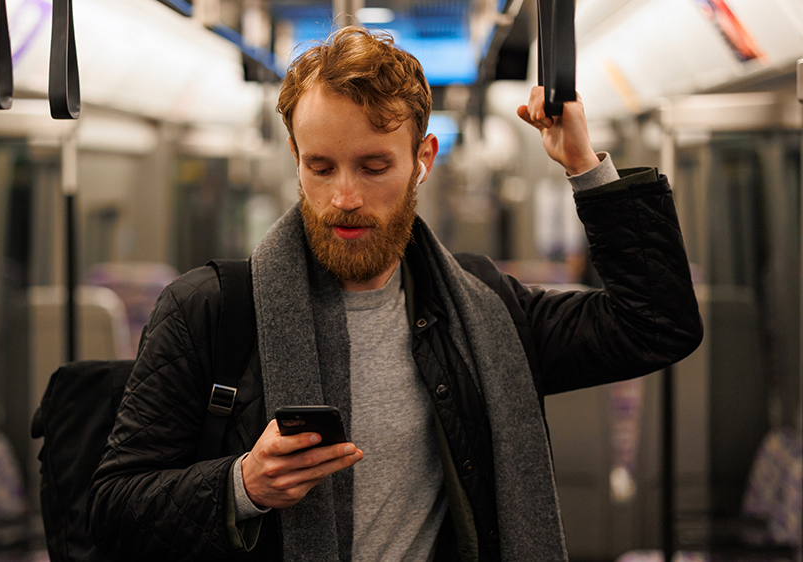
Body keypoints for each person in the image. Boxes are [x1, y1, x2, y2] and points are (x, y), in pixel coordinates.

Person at [88, 26, 703, 562]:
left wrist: (584, 166)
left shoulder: (483, 310)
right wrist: (242, 486)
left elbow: (654, 325)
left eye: (374, 167)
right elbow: (112, 509)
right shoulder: (210, 311)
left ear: (422, 159)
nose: (344, 197)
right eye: (321, 167)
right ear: (295, 158)